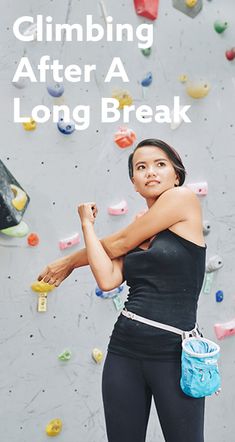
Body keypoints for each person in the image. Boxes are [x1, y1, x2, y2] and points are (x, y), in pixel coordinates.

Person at [38, 139, 207, 442]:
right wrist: (87, 225)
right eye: (141, 167)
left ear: (176, 175)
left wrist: (67, 261)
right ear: (134, 184)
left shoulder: (183, 200)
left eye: (160, 164)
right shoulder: (138, 227)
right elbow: (107, 278)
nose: (150, 172)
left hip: (174, 355)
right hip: (125, 351)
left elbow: (116, 245)